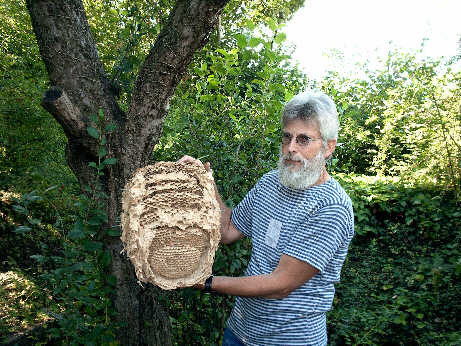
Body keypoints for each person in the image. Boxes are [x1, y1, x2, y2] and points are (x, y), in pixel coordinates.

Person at [178, 90, 354, 346]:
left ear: (328, 147)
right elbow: (227, 229)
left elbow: (280, 284)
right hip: (240, 331)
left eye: (304, 139)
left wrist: (205, 283)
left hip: (290, 340)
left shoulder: (331, 207)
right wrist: (206, 183)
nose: (291, 148)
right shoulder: (270, 183)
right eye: (287, 137)